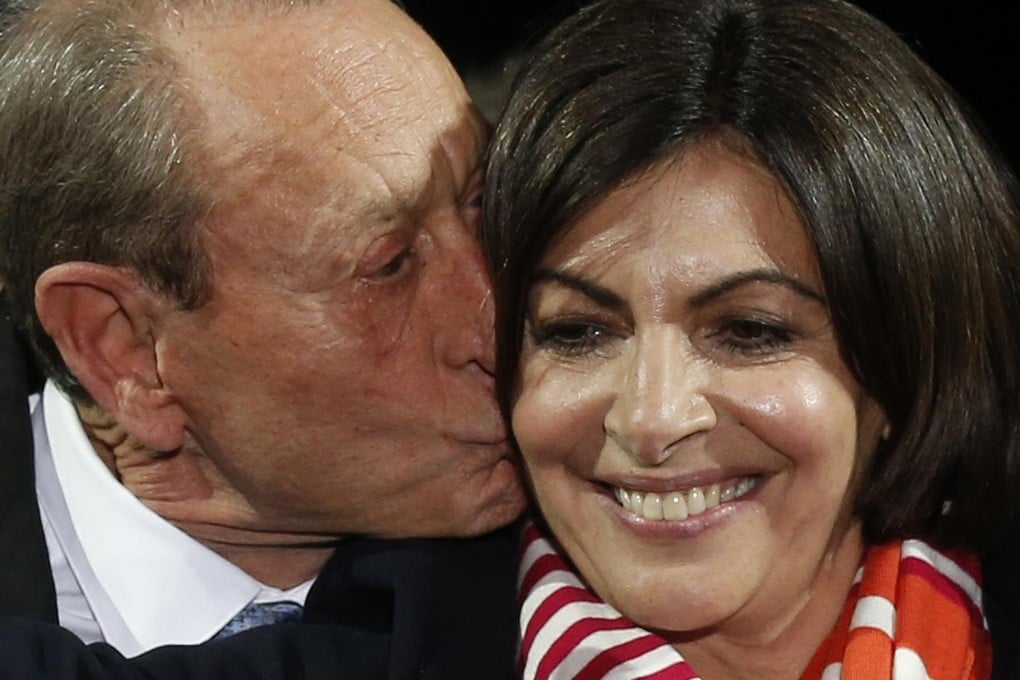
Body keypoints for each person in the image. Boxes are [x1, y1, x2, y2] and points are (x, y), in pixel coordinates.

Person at [481, 0, 1020, 677]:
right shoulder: (358, 648)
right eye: (579, 331)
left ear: (902, 362)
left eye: (748, 331)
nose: (651, 420)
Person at [0, 0, 525, 676]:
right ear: (125, 349)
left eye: (480, 200)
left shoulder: (624, 557)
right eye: (389, 265)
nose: (498, 320)